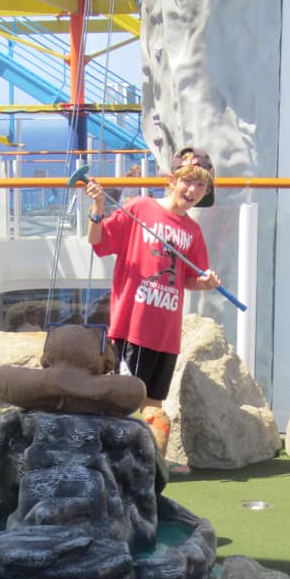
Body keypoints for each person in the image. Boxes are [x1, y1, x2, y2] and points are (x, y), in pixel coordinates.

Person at [84, 147, 221, 474]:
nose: (193, 191)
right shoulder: (139, 208)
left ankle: (152, 464)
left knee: (154, 404)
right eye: (188, 181)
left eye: (200, 186)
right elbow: (97, 240)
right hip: (132, 326)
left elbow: (189, 280)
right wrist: (98, 207)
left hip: (166, 332)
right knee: (120, 402)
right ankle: (107, 466)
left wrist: (208, 283)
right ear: (171, 180)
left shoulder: (192, 231)